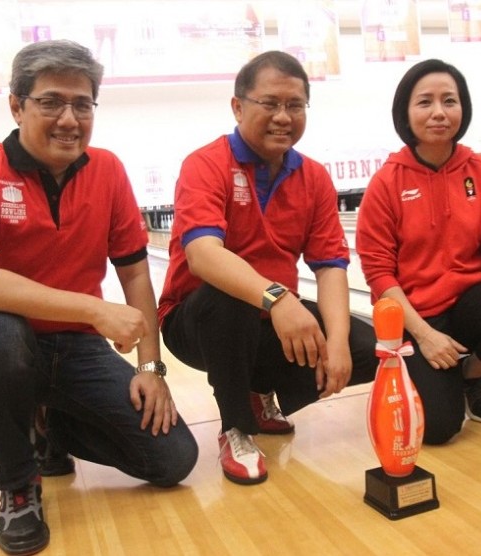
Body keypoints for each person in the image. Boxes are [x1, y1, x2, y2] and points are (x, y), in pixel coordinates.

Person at [0, 40, 198, 555]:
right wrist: (93, 309)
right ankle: (18, 482)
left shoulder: (107, 171)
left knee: (172, 460)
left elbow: (136, 277)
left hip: (75, 352)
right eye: (51, 102)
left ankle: (48, 423)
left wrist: (152, 369)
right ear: (16, 105)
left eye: (82, 104)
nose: (69, 119)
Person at [158, 50, 378, 486]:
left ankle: (259, 391)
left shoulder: (313, 177)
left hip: (267, 321)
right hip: (197, 321)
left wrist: (335, 343)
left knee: (364, 346)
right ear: (238, 107)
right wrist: (278, 298)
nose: (284, 116)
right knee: (230, 298)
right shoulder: (205, 164)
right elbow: (203, 255)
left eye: (295, 105)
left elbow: (331, 265)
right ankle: (236, 425)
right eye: (270, 104)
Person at [356, 59, 481, 445]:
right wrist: (425, 335)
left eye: (450, 100)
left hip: (467, 303)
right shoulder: (386, 183)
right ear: (406, 112)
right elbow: (379, 273)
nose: (439, 113)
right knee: (440, 429)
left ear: (463, 109)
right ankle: (436, 378)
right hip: (415, 315)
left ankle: (471, 376)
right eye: (425, 102)